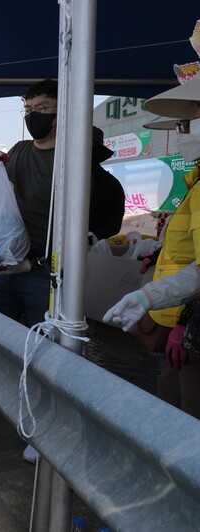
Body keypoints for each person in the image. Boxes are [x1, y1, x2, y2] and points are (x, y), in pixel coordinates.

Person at [0, 79, 125, 465]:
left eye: (42, 108)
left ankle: (41, 431)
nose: (33, 115)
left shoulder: (76, 158)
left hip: (47, 274)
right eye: (29, 108)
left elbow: (111, 211)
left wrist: (91, 232)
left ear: (62, 113)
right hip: (4, 273)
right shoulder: (19, 153)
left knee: (45, 354)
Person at [104, 75, 200, 418]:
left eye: (189, 122)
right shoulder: (195, 182)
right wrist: (159, 254)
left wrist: (184, 325)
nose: (182, 134)